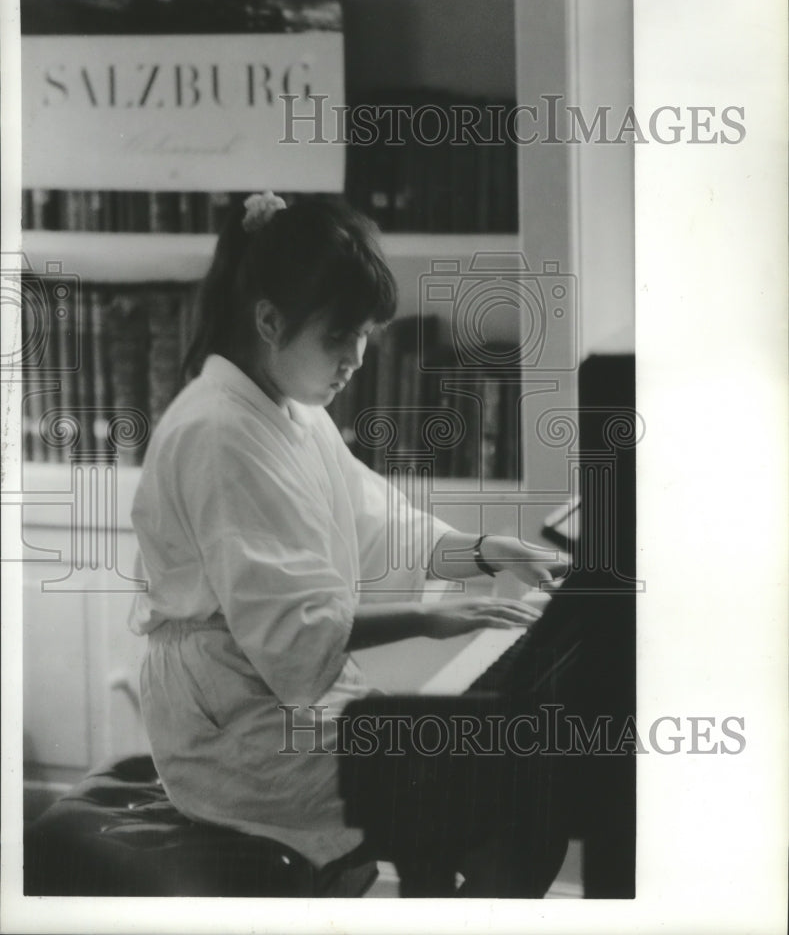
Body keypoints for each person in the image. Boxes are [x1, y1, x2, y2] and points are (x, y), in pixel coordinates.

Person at [128, 191, 567, 892]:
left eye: (366, 335)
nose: (357, 358)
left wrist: (488, 550)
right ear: (268, 320)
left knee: (507, 777)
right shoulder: (219, 433)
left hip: (279, 704)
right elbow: (292, 635)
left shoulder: (288, 411)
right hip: (235, 737)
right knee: (516, 792)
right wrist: (425, 619)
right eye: (339, 337)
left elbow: (378, 521)